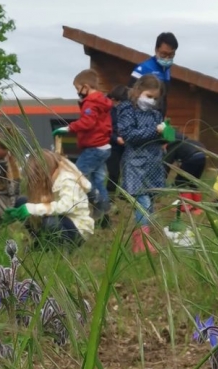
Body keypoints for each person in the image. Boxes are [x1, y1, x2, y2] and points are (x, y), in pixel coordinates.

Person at [0, 150, 94, 249]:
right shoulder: (53, 174)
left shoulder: (68, 179)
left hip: (75, 229)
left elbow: (66, 206)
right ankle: (41, 241)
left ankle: (60, 248)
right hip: (59, 218)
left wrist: (33, 209)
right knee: (22, 202)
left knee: (50, 222)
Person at [118, 75, 168, 253]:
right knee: (143, 202)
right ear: (138, 91)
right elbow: (128, 135)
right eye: (149, 96)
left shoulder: (156, 114)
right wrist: (154, 131)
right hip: (136, 164)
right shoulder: (127, 110)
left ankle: (146, 237)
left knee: (150, 201)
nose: (152, 101)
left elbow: (159, 137)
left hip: (153, 163)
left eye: (155, 98)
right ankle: (141, 243)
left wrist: (166, 134)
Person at [57, 70, 113, 226]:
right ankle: (104, 211)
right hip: (103, 147)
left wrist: (69, 128)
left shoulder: (91, 102)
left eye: (78, 89)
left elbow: (88, 123)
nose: (77, 92)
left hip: (94, 148)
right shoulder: (102, 101)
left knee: (77, 177)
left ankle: (76, 208)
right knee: (97, 180)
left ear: (86, 87)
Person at [129, 33, 178, 118]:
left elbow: (163, 98)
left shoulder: (167, 70)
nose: (167, 58)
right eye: (164, 54)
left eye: (171, 55)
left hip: (158, 119)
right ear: (156, 50)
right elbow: (129, 95)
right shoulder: (143, 69)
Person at [165, 134, 207, 215]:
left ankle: (185, 206)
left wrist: (164, 177)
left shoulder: (172, 145)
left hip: (191, 158)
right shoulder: (186, 141)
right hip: (202, 157)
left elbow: (167, 163)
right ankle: (198, 207)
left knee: (180, 182)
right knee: (194, 182)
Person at [106, 85, 131, 202]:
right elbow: (106, 130)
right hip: (113, 145)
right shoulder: (108, 111)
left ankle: (126, 194)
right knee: (114, 172)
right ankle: (110, 196)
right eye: (116, 100)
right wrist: (116, 138)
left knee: (129, 170)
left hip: (127, 145)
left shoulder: (129, 110)